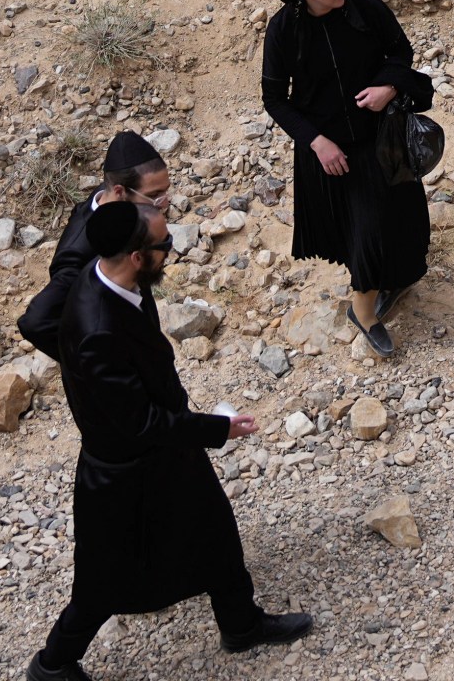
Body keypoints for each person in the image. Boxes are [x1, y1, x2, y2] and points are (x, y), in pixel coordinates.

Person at [28, 200, 310, 681]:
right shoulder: (97, 327)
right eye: (165, 245)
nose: (170, 252)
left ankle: (240, 624)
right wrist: (219, 428)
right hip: (125, 475)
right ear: (138, 256)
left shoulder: (115, 281)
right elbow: (140, 422)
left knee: (217, 534)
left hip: (165, 455)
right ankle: (52, 665)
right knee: (102, 581)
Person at [261, 0, 435, 359]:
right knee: (367, 228)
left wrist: (388, 88)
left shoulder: (363, 6)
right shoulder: (284, 29)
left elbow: (401, 52)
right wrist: (316, 142)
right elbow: (274, 98)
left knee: (405, 215)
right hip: (330, 148)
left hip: (381, 133)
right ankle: (364, 312)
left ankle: (395, 280)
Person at [19, 131, 170, 361]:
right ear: (120, 192)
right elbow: (36, 322)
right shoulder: (78, 253)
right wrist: (91, 366)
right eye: (155, 196)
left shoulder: (113, 201)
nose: (163, 204)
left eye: (165, 192)